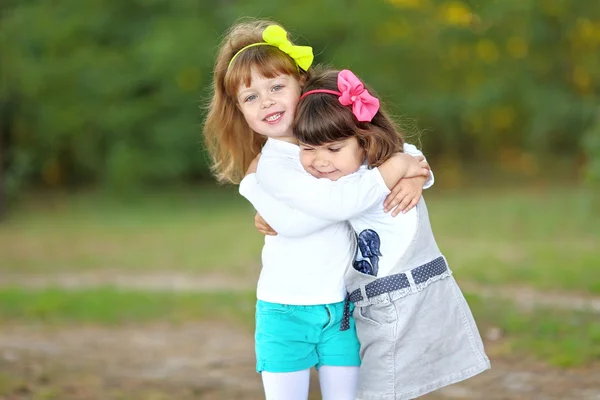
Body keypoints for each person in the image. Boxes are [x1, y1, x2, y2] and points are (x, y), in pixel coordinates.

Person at [204, 19, 433, 400]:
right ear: (240, 111)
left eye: (276, 87)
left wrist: (413, 175)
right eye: (251, 97)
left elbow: (399, 150)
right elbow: (330, 207)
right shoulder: (270, 166)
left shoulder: (334, 136)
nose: (267, 102)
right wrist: (392, 173)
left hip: (344, 308)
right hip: (285, 313)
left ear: (302, 85)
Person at [241, 68, 491, 400]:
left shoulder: (366, 175)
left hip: (398, 295)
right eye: (308, 148)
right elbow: (319, 200)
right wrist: (262, 197)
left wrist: (412, 172)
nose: (320, 161)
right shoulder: (352, 174)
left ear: (363, 141)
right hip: (374, 299)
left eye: (333, 149)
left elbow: (402, 159)